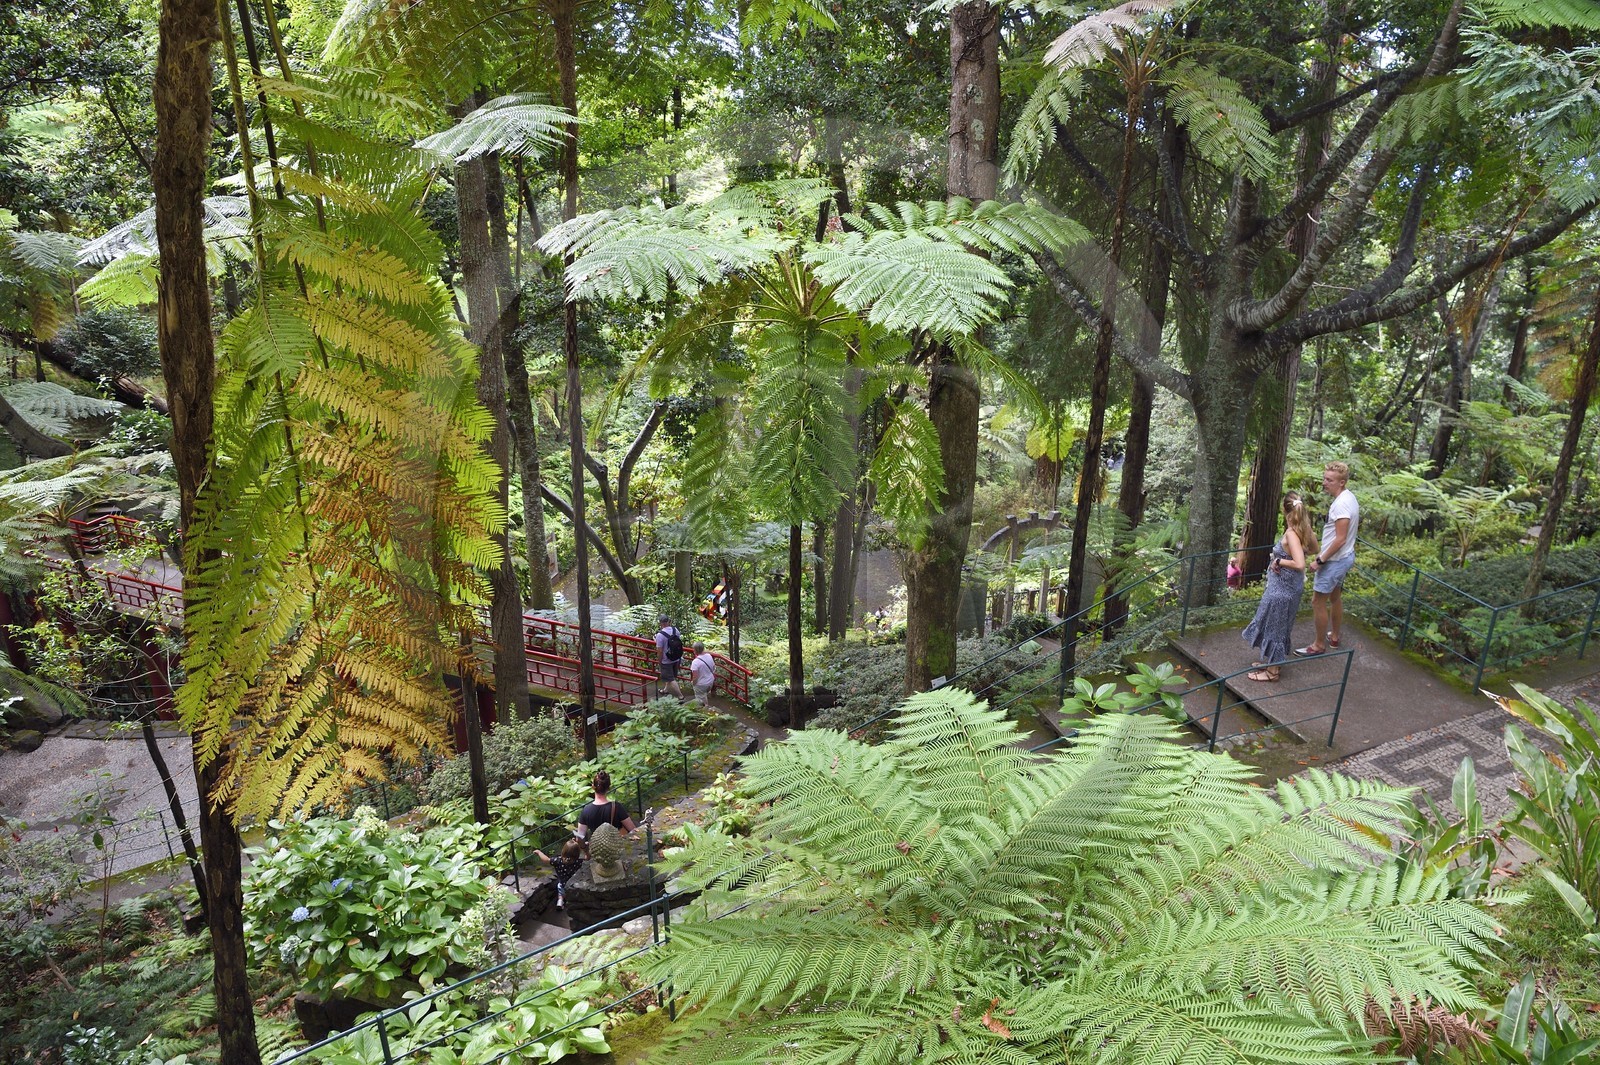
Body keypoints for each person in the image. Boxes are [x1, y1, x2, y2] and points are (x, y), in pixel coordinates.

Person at [1242, 492, 1318, 681]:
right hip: (1289, 587)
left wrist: (1279, 561)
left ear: (1284, 510)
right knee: (1276, 624)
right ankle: (1272, 662)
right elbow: (1315, 549)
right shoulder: (1302, 529)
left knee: (1276, 627)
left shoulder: (1292, 534)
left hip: (1283, 589)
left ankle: (1272, 672)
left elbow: (1299, 564)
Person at [1297, 461, 1360, 656]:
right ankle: (1334, 636)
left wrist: (1320, 560)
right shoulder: (1349, 498)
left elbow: (1340, 539)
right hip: (1345, 557)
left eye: (1329, 480)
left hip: (1334, 561)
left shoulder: (1340, 505)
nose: (1325, 482)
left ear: (1341, 482)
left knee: (1317, 601)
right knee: (1335, 597)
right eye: (1324, 478)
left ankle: (1318, 646)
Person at [575, 770, 636, 851]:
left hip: (598, 850)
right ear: (609, 787)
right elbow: (633, 830)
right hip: (616, 849)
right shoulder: (617, 807)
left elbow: (579, 837)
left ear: (593, 787)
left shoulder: (586, 810)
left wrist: (586, 851)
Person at [534, 838, 583, 910]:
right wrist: (585, 848)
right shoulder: (578, 862)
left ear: (563, 851)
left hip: (562, 883)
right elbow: (587, 857)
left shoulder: (557, 861)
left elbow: (546, 859)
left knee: (561, 893)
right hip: (573, 884)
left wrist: (539, 852)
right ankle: (573, 904)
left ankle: (560, 902)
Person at [654, 615, 684, 698]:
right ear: (669, 621)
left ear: (660, 623)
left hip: (666, 660)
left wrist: (659, 661)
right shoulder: (675, 630)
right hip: (676, 658)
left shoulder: (660, 635)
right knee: (670, 676)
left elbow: (659, 650)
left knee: (670, 679)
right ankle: (665, 690)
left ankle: (680, 696)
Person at [688, 641, 716, 706]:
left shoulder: (696, 662)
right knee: (704, 694)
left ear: (695, 650)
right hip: (710, 681)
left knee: (701, 700)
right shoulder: (709, 656)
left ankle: (705, 711)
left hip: (701, 684)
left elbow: (695, 676)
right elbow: (713, 667)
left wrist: (693, 683)